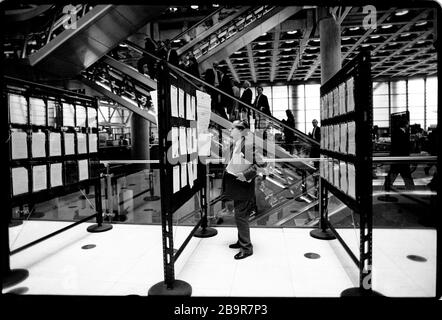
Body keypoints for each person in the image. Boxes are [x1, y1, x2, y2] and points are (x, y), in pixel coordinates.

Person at [221, 120, 264, 260]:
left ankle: (246, 248)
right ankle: (241, 241)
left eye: (232, 128)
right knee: (239, 216)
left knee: (241, 217)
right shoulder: (236, 144)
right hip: (237, 184)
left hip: (244, 185)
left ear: (240, 130)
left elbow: (260, 165)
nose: (230, 129)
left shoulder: (249, 145)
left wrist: (245, 175)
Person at [383, 118, 415, 192]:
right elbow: (402, 146)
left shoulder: (397, 132)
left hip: (398, 158)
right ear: (405, 124)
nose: (408, 125)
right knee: (406, 175)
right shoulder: (401, 133)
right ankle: (411, 190)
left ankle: (387, 188)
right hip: (401, 158)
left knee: (395, 174)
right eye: (407, 124)